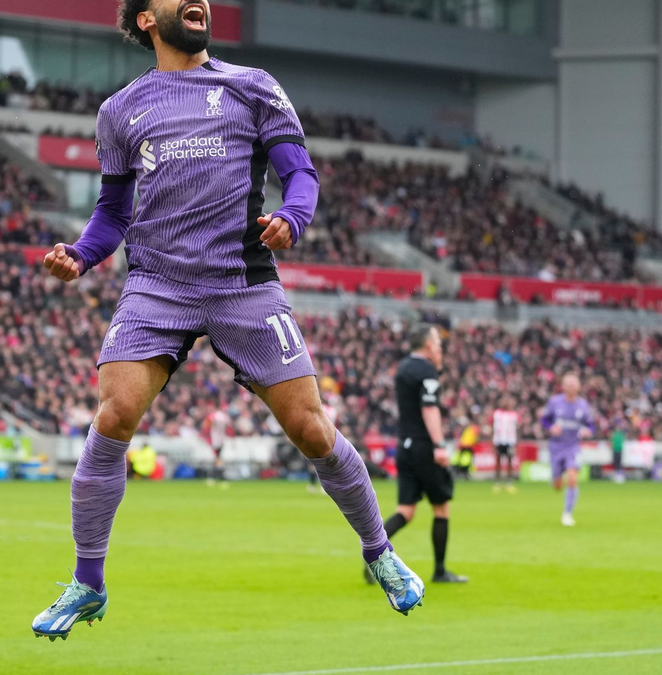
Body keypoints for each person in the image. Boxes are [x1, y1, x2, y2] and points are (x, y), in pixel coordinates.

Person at [32, 0, 423, 641]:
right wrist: (79, 255)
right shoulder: (120, 111)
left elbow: (300, 173)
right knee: (113, 415)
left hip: (244, 284)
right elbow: (112, 210)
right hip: (156, 287)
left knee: (313, 430)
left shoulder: (254, 86)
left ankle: (379, 551)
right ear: (146, 19)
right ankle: (88, 584)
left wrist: (292, 219)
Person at [378, 324, 468, 584]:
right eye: (438, 343)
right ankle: (440, 571)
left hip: (404, 446)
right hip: (423, 447)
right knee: (441, 507)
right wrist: (439, 445)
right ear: (428, 346)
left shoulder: (404, 367)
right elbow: (429, 409)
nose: (440, 347)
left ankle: (373, 554)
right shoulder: (426, 370)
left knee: (406, 510)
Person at [540, 373, 594, 527]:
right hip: (556, 447)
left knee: (572, 478)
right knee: (557, 485)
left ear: (578, 386)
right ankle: (556, 477)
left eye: (573, 384)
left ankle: (567, 514)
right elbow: (544, 419)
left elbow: (591, 425)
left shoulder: (583, 405)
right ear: (563, 386)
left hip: (573, 447)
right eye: (568, 384)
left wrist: (588, 431)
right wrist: (551, 427)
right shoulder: (554, 402)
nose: (570, 386)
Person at [492, 397, 518, 492]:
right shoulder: (497, 414)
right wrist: (494, 441)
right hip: (499, 440)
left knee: (510, 461)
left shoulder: (513, 415)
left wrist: (515, 442)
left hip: (510, 441)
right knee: (498, 461)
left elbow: (515, 429)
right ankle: (497, 482)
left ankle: (509, 482)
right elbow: (493, 428)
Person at [202, 403, 230, 488]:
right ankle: (216, 478)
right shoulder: (224, 416)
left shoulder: (212, 416)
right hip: (221, 439)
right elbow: (228, 426)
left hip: (214, 439)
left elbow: (206, 426)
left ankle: (219, 478)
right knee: (217, 459)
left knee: (216, 460)